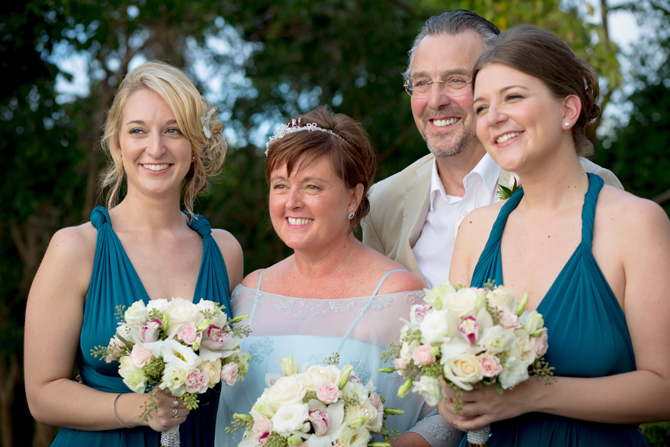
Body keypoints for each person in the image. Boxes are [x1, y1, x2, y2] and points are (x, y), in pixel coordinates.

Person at [439, 25, 670, 446]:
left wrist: (532, 395)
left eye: (513, 97)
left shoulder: (637, 223)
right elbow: (451, 375)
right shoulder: (474, 231)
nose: (494, 117)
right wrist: (451, 393)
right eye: (482, 106)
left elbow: (664, 388)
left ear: (568, 111)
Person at [24, 61, 243, 446]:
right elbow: (42, 394)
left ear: (195, 144)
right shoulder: (76, 248)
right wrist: (140, 408)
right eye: (138, 131)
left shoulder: (225, 251)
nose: (155, 147)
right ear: (118, 144)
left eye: (173, 130)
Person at [215, 106, 462, 447]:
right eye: (281, 186)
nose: (292, 202)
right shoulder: (247, 292)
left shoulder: (396, 295)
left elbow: (450, 413)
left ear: (354, 195)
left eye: (312, 187)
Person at [361, 10, 623, 288]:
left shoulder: (587, 185)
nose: (435, 100)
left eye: (456, 80)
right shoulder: (381, 205)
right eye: (422, 83)